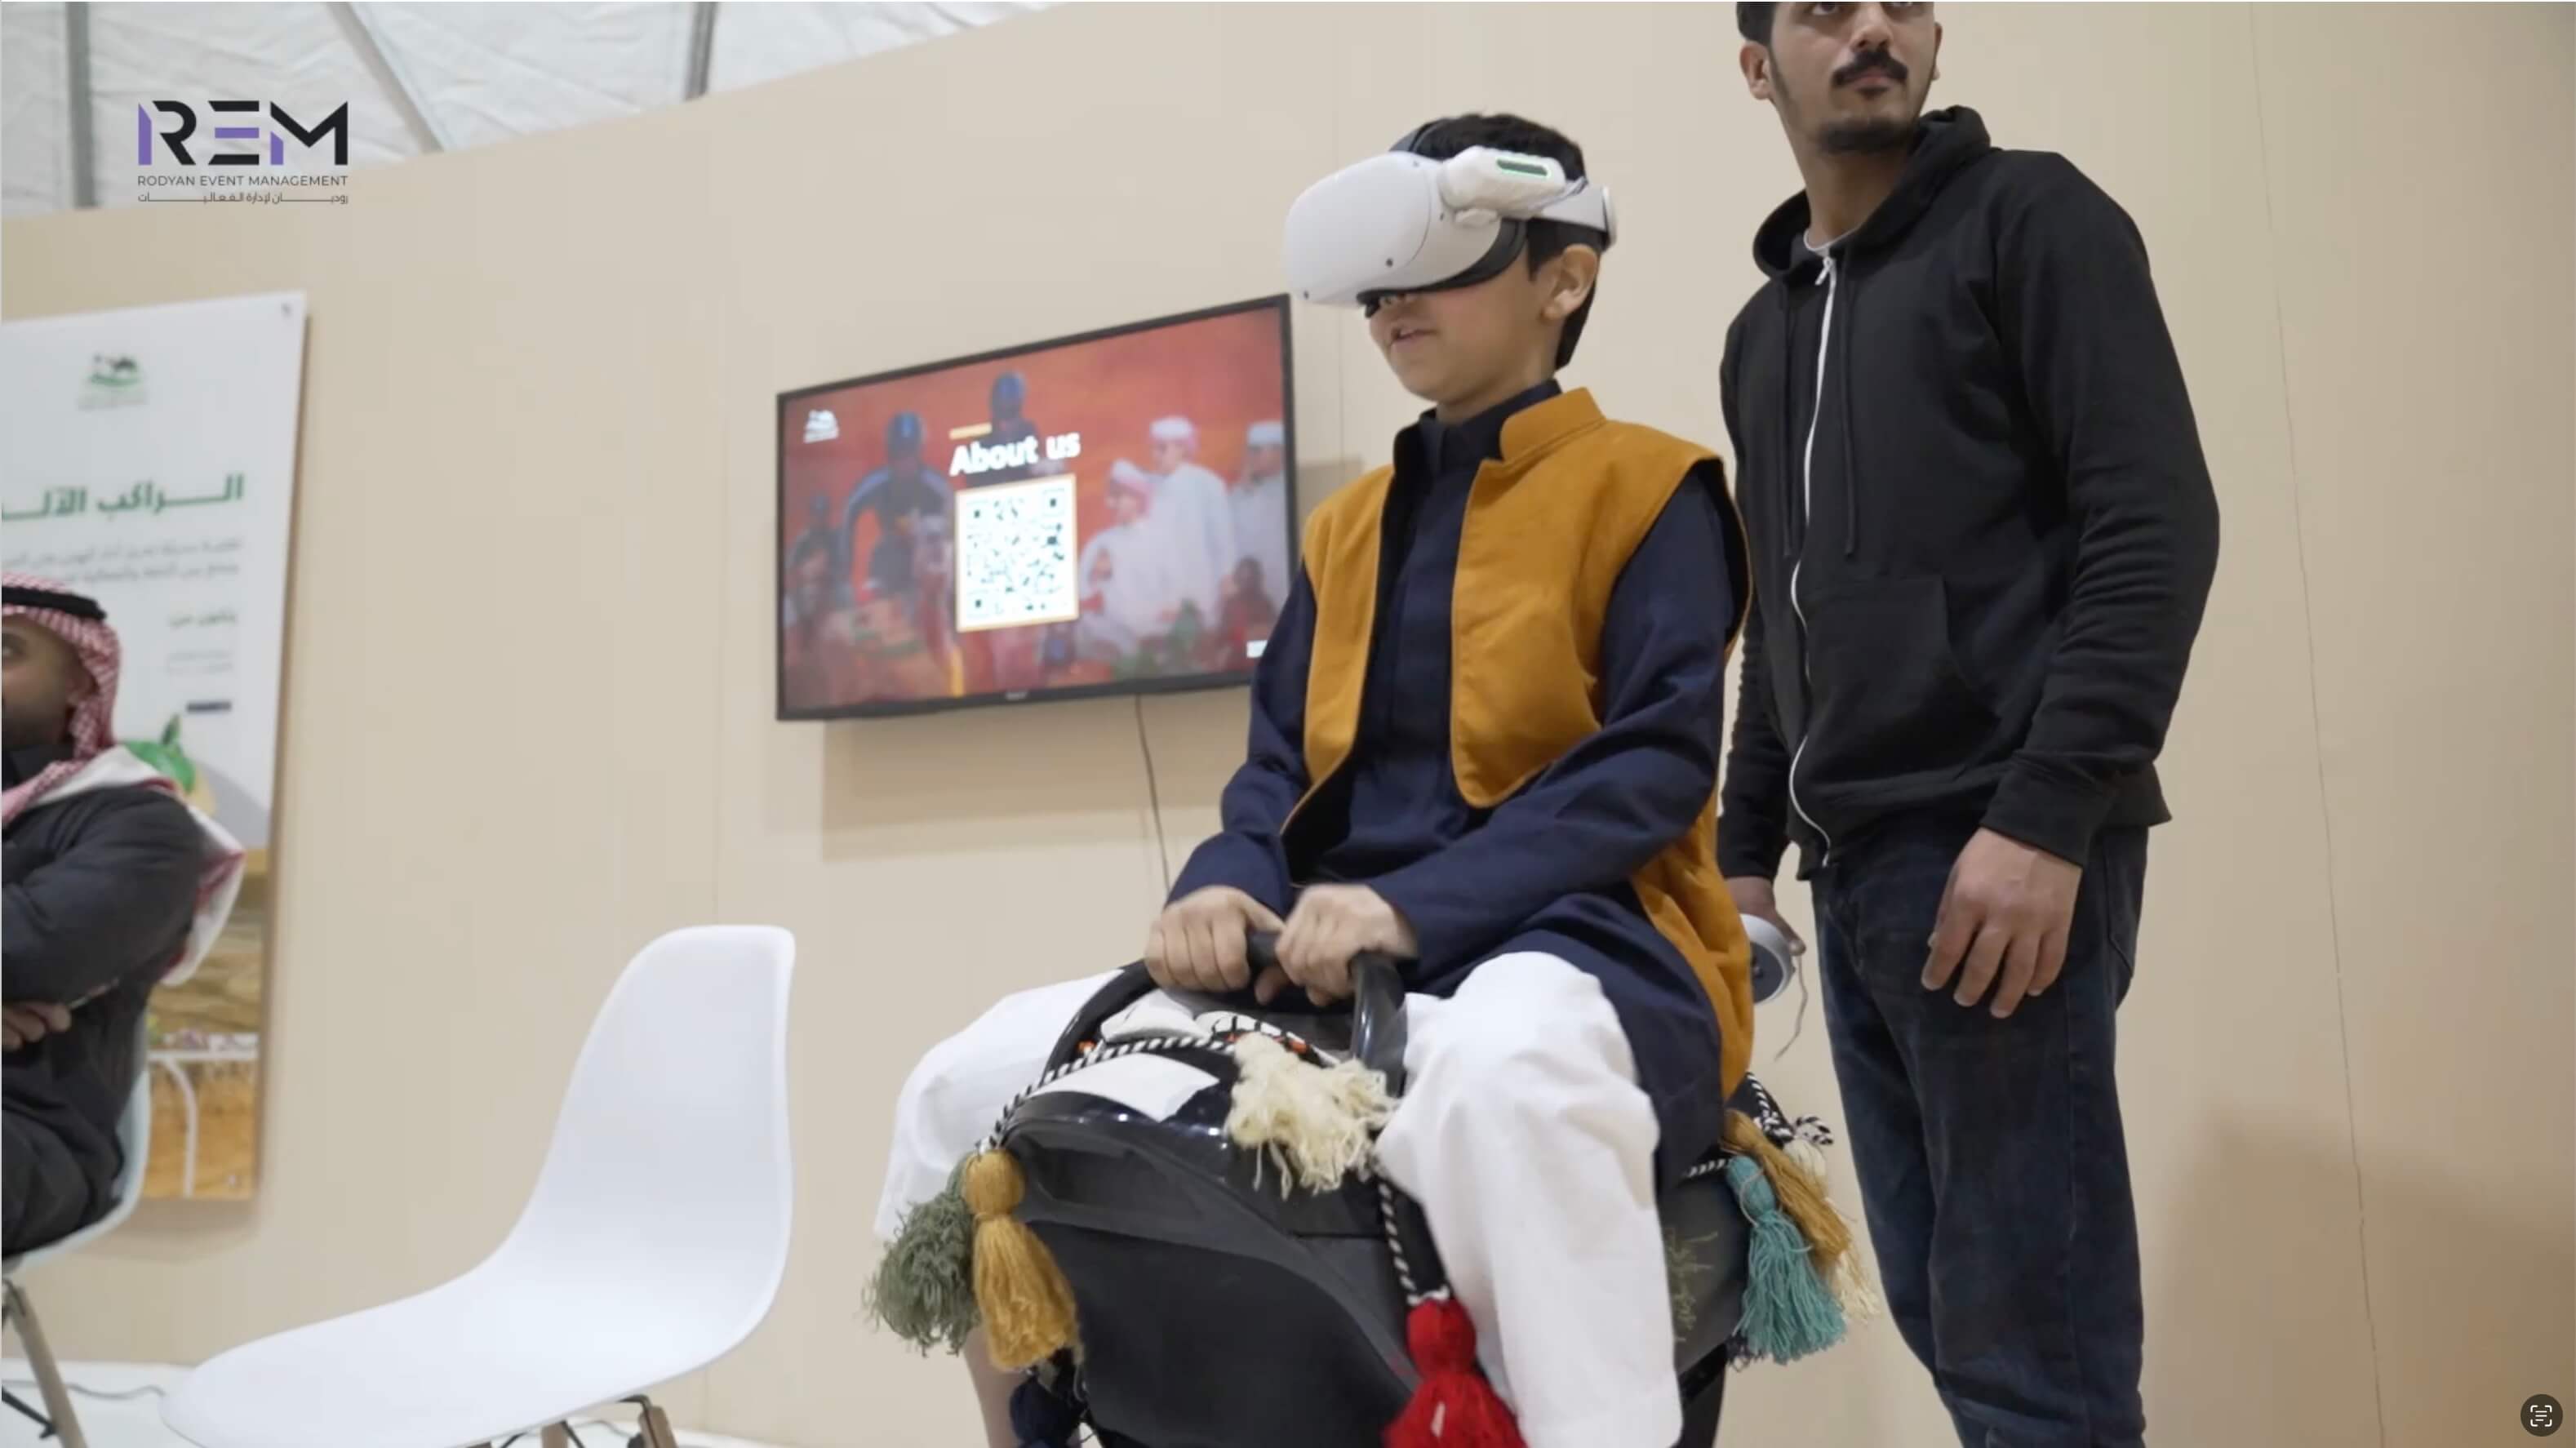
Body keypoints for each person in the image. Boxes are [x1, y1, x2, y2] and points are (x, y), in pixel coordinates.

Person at [877, 113, 1756, 1448]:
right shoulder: (1344, 526)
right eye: (1379, 279)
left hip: (1583, 935)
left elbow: (1652, 764)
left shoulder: (1653, 486)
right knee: (973, 1074)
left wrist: (1415, 908)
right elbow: (1276, 767)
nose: (1395, 303)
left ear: (1563, 278)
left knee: (1508, 1085)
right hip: (1323, 951)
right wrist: (1222, 883)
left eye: (1442, 266)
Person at [1720, 7, 2222, 1444]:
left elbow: (2155, 527)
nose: (1872, 27)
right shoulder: (1764, 333)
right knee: (1955, 1326)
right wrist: (1740, 850)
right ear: (1758, 65)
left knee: (2030, 1352)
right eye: (1826, 7)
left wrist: (2046, 816)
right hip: (1853, 875)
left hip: (1999, 851)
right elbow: (1784, 614)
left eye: (1902, 1)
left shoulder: (2033, 221)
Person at [3, 578, 242, 1254]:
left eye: (5, 650)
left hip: (27, 1135)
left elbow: (35, 950)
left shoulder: (139, 825)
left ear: (82, 680)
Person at [1116, 416, 1237, 629]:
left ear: (1182, 449)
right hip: (1161, 590)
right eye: (1154, 449)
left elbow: (1223, 537)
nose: (1155, 456)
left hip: (1202, 583)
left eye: (1162, 449)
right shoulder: (1149, 486)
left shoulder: (1207, 484)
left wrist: (1226, 577)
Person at [839, 411, 952, 613]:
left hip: (926, 562)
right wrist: (844, 570)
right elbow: (849, 512)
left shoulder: (936, 486)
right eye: (898, 454)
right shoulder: (876, 483)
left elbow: (956, 522)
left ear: (918, 452)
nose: (904, 462)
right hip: (888, 561)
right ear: (890, 454)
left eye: (909, 454)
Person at [1073, 466, 1173, 665]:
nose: (1113, 503)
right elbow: (1081, 592)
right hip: (1114, 638)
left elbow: (1176, 588)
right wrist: (1097, 574)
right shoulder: (1101, 542)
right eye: (1112, 497)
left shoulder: (1160, 540)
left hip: (1156, 635)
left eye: (1119, 496)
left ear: (1138, 498)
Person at [1228, 418, 1294, 615]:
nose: (1250, 457)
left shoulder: (1289, 489)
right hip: (1250, 585)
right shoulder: (1239, 493)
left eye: (1257, 451)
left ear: (1279, 451)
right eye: (1250, 451)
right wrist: (1245, 489)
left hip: (1283, 579)